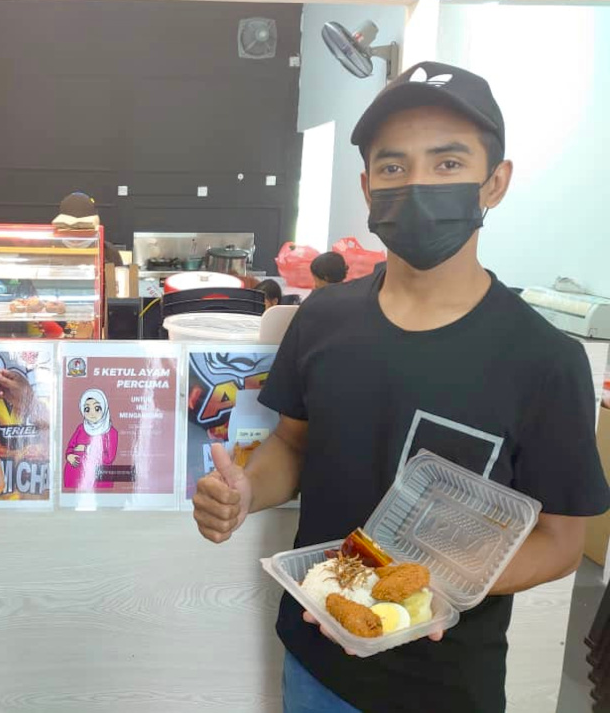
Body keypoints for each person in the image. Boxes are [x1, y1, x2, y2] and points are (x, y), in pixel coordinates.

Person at [192, 62, 609, 713]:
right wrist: (248, 488)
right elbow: (293, 448)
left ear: (495, 182)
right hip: (316, 663)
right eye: (393, 166)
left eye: (448, 163)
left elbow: (561, 541)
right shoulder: (322, 319)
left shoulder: (546, 361)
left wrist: (442, 583)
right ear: (367, 187)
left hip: (447, 684)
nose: (418, 184)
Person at [63, 388, 119, 490]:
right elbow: (70, 447)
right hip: (74, 478)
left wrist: (86, 448)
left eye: (97, 408)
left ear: (104, 408)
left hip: (98, 481)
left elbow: (108, 458)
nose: (92, 413)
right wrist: (69, 456)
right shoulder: (81, 428)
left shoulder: (111, 432)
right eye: (87, 409)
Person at [58, 191, 124, 267]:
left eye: (83, 229)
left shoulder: (108, 252)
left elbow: (116, 272)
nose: (76, 239)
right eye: (70, 230)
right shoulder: (51, 248)